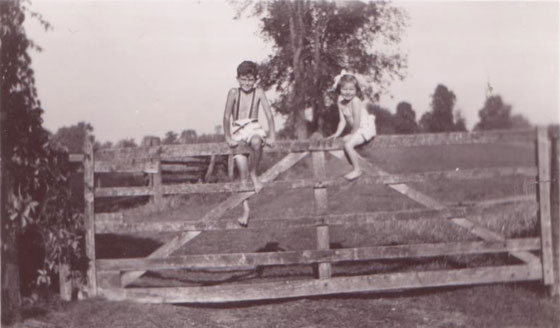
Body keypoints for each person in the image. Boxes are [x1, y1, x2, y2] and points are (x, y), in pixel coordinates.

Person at [223, 60, 276, 226]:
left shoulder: (259, 92)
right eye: (244, 80)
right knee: (242, 173)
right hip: (238, 129)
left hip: (253, 126)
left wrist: (272, 135)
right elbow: (226, 117)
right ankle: (245, 210)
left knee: (256, 141)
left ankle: (255, 173)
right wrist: (228, 137)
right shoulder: (233, 93)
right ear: (238, 79)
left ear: (256, 80)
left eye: (250, 80)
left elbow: (269, 115)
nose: (247, 83)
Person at [327, 73, 376, 181]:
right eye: (344, 89)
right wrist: (336, 134)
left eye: (351, 89)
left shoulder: (356, 101)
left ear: (356, 90)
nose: (348, 92)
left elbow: (357, 122)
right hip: (357, 129)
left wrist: (351, 134)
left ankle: (357, 169)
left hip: (364, 128)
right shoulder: (340, 101)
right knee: (343, 140)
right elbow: (342, 121)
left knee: (348, 145)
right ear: (339, 89)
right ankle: (360, 163)